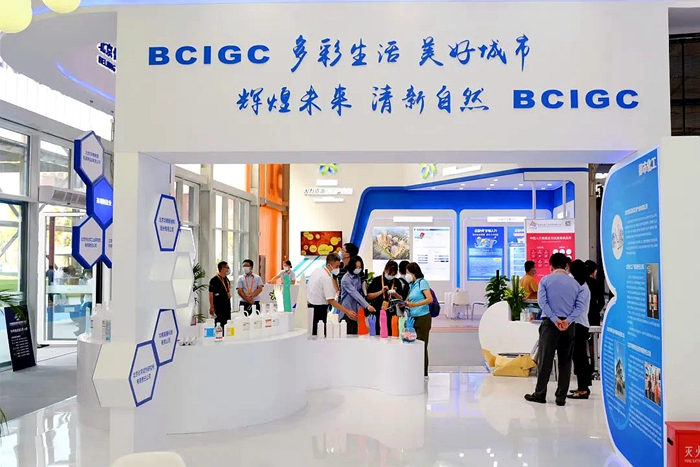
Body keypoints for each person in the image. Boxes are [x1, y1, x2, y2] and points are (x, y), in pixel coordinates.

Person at [525, 253, 587, 406]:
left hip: (550, 325)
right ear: (566, 266)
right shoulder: (575, 284)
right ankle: (561, 397)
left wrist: (555, 319)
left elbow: (542, 303)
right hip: (568, 326)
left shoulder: (545, 280)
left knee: (545, 360)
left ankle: (540, 394)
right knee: (565, 362)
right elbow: (580, 306)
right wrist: (567, 320)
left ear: (550, 265)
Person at [308, 253, 355, 336]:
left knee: (313, 334)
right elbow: (331, 300)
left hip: (310, 307)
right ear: (329, 265)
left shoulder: (317, 271)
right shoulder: (326, 277)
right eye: (336, 266)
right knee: (319, 335)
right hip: (319, 310)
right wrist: (347, 311)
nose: (338, 269)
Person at [568, 260, 592, 400]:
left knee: (580, 358)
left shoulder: (582, 287)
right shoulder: (580, 285)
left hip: (579, 325)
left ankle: (583, 389)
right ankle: (582, 386)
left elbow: (578, 308)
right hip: (579, 324)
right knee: (579, 358)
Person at [405, 262, 433, 379]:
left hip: (423, 317)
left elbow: (429, 299)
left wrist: (415, 305)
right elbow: (409, 300)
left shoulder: (422, 282)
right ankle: (415, 371)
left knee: (422, 345)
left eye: (407, 273)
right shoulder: (412, 285)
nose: (406, 275)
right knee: (413, 345)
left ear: (413, 273)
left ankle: (423, 373)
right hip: (412, 318)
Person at [366, 260, 406, 336]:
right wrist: (381, 292)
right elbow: (369, 296)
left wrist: (395, 294)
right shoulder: (377, 280)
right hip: (378, 311)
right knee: (378, 335)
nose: (391, 276)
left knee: (391, 335)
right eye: (390, 273)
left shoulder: (397, 281)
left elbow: (401, 298)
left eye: (393, 274)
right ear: (385, 270)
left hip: (391, 313)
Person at [340, 255, 376, 334]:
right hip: (347, 311)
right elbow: (355, 294)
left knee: (357, 336)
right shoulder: (346, 279)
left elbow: (361, 293)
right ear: (351, 267)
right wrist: (367, 306)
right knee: (348, 336)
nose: (358, 269)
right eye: (356, 267)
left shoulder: (358, 277)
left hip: (357, 312)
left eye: (360, 267)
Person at [584, 260, 605, 327]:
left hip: (581, 316)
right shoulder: (596, 283)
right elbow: (601, 302)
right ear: (594, 271)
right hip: (593, 315)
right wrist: (595, 311)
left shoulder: (579, 282)